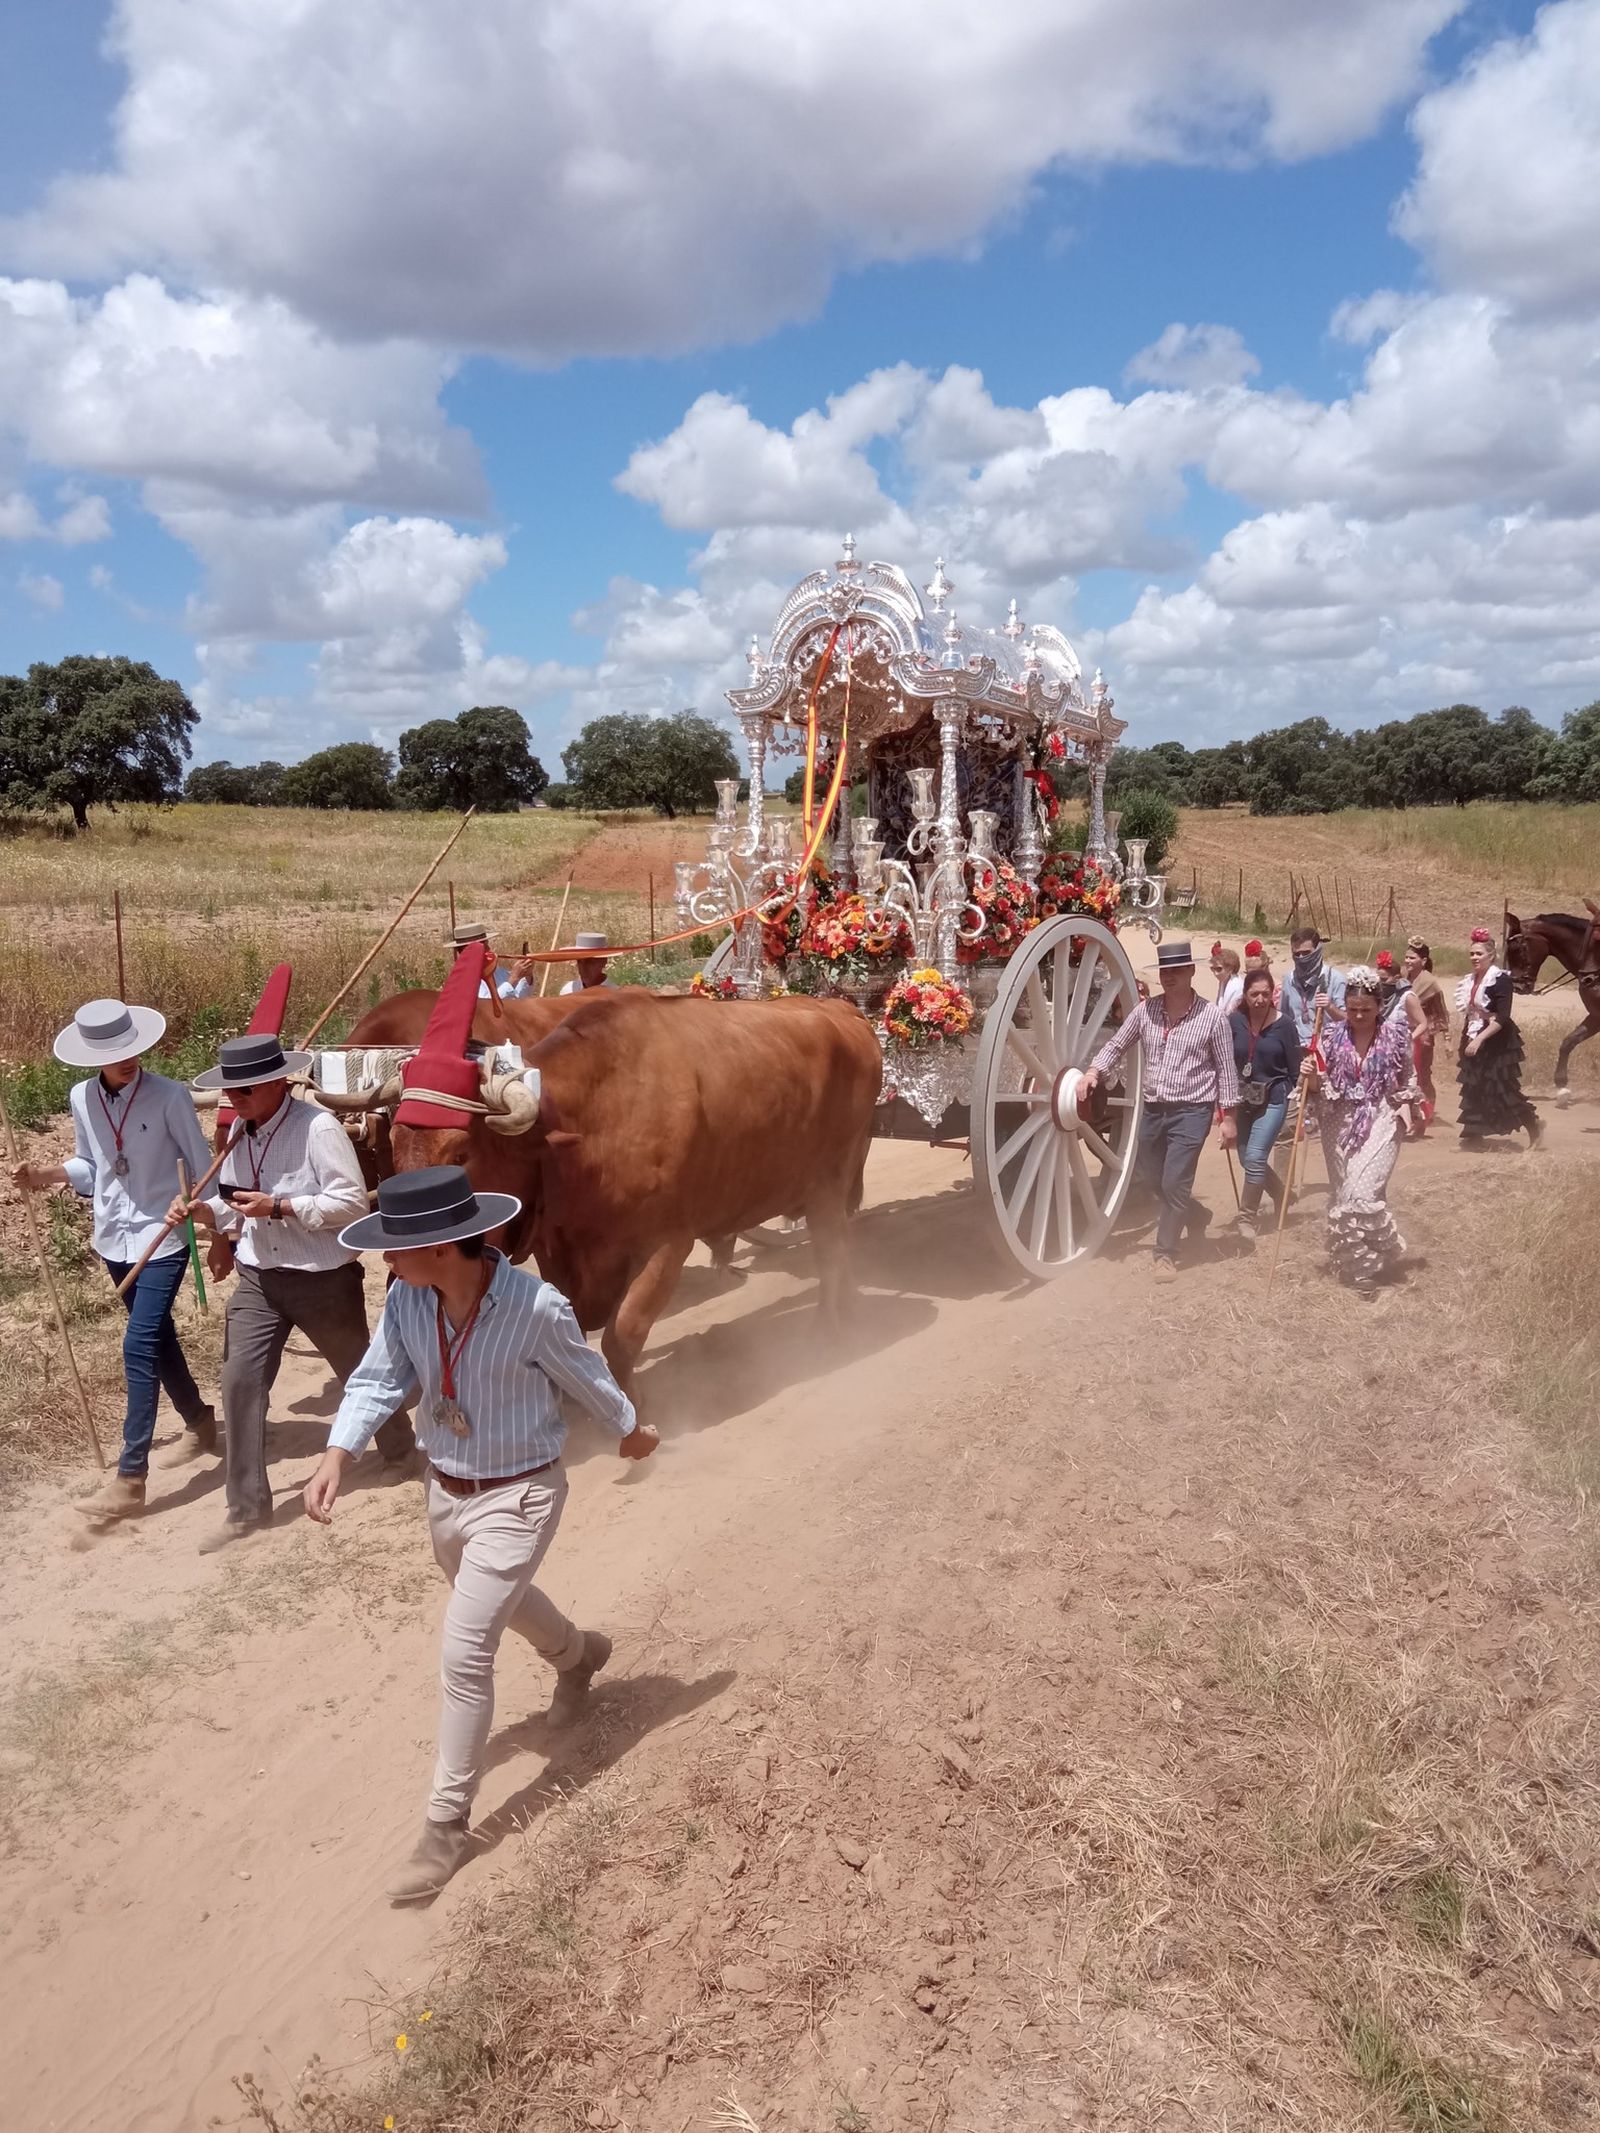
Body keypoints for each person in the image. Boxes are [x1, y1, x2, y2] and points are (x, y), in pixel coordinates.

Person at [301, 1164, 660, 1901]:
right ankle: (578, 1653)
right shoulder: (408, 1298)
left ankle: (445, 1826)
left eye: (393, 1245)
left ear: (440, 1246)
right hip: (447, 1489)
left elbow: (585, 1372)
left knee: (466, 1649)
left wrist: (627, 1428)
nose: (382, 1259)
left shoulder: (534, 1306)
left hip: (521, 1492)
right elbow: (376, 1378)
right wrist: (339, 1450)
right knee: (492, 1599)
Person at [173, 1034, 415, 1554]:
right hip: (259, 1277)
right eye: (229, 1088)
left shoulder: (318, 1127)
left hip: (321, 1276)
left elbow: (351, 1204)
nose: (234, 1098)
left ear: (277, 1082)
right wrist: (203, 1214)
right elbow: (236, 1204)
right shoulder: (240, 1129)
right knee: (239, 1382)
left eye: (245, 1088)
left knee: (358, 1373)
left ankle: (401, 1451)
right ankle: (246, 1510)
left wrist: (282, 1207)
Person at [12, 998, 221, 1523]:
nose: (129, 1060)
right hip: (112, 1237)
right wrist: (45, 1175)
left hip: (163, 1236)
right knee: (157, 1338)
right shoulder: (82, 1097)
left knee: (138, 1343)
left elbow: (204, 1172)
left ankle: (131, 1478)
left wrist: (204, 1216)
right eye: (115, 1053)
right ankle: (199, 1422)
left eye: (133, 1049)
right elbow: (91, 1165)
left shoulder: (171, 1097)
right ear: (92, 1057)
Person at [1082, 939, 1239, 1281]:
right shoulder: (1145, 1011)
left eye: (1177, 970)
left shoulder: (1212, 1018)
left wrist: (1228, 1119)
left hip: (1192, 1110)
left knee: (1175, 1181)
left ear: (1191, 971)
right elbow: (1117, 1044)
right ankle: (1196, 1216)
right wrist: (1094, 1071)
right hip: (1153, 1109)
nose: (1170, 977)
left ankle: (1165, 1253)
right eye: (1165, 971)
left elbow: (1227, 1070)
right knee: (1152, 1178)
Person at [1301, 965, 1420, 1297]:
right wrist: (1309, 1073)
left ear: (1380, 1006)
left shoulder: (1396, 1035)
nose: (1358, 1016)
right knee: (1345, 1194)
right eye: (1352, 1010)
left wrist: (1406, 1104)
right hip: (1338, 1121)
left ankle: (1369, 1264)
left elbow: (1409, 1076)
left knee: (1361, 1194)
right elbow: (1319, 1086)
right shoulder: (1331, 1036)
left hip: (1382, 1116)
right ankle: (1362, 1266)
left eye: (1365, 1010)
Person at [1228, 966, 1302, 1241]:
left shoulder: (1285, 1026)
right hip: (1243, 1099)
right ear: (1245, 995)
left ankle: (1247, 1217)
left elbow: (1295, 1071)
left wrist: (1299, 1107)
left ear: (1273, 994)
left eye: (1265, 993)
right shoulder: (1234, 1022)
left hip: (1274, 1098)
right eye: (1254, 994)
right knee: (1247, 1158)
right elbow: (1227, 1060)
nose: (1259, 999)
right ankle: (1282, 1195)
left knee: (1256, 1157)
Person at [1456, 925, 1542, 1150]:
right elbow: (1472, 1013)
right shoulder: (1471, 980)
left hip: (1498, 1040)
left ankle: (1534, 1126)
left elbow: (1502, 1018)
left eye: (1479, 954)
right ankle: (1474, 1135)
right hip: (1476, 1034)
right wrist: (1466, 1039)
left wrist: (1479, 1039)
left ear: (1491, 956)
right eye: (1472, 953)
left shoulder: (1500, 980)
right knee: (1473, 1084)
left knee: (1502, 1088)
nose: (1474, 957)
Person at [1402, 936, 1450, 1130]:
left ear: (1423, 961)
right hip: (1403, 1034)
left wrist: (1447, 1039)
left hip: (1423, 1037)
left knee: (1422, 1074)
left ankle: (1426, 1112)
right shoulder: (1403, 979)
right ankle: (1408, 1112)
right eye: (1406, 957)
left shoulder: (1430, 983)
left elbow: (1441, 1012)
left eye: (1412, 958)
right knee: (1404, 1075)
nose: (1407, 961)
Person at [1280, 926, 1347, 1046]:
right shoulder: (1289, 980)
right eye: (1297, 954)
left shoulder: (1335, 979)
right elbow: (1284, 1018)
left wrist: (1330, 1007)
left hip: (1327, 1049)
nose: (1301, 958)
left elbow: (1348, 1020)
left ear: (1317, 951)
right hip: (1297, 1049)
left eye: (1306, 953)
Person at [449, 923, 537, 1002]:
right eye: (482, 946)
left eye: (487, 944)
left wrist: (527, 975)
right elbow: (486, 1007)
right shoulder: (463, 980)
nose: (488, 949)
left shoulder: (498, 972)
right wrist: (513, 979)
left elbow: (519, 998)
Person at [559, 931, 613, 996]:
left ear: (604, 961)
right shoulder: (568, 990)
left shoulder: (615, 995)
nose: (583, 968)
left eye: (589, 962)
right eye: (580, 961)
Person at [1213, 945, 1244, 1019]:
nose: (1215, 973)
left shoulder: (1238, 987)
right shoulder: (1223, 981)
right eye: (1212, 969)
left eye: (1219, 969)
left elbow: (1230, 1012)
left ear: (1230, 968)